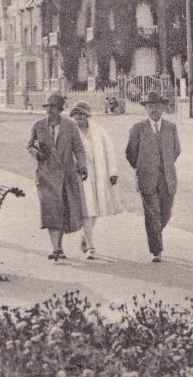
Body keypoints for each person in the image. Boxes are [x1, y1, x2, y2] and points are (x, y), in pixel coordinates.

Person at [27, 92, 88, 261]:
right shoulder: (38, 125)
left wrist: (82, 166)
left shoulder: (70, 126)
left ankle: (59, 246)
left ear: (60, 109)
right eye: (48, 107)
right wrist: (37, 154)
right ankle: (55, 248)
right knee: (50, 211)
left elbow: (79, 148)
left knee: (61, 211)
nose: (50, 111)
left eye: (53, 107)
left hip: (65, 175)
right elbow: (29, 146)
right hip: (45, 175)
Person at [125, 91, 181, 263]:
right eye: (150, 106)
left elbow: (176, 150)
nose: (154, 109)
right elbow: (130, 153)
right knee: (152, 215)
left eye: (157, 106)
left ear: (164, 107)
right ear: (146, 109)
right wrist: (143, 168)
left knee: (165, 213)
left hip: (167, 179)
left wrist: (166, 166)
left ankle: (156, 233)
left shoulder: (171, 128)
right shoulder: (137, 129)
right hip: (147, 179)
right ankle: (156, 250)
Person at [69, 101, 122, 260]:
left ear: (87, 116)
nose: (79, 118)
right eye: (76, 115)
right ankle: (91, 247)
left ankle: (85, 237)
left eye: (82, 115)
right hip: (80, 177)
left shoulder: (98, 132)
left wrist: (113, 172)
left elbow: (109, 151)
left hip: (98, 175)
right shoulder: (71, 133)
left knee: (95, 211)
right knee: (87, 211)